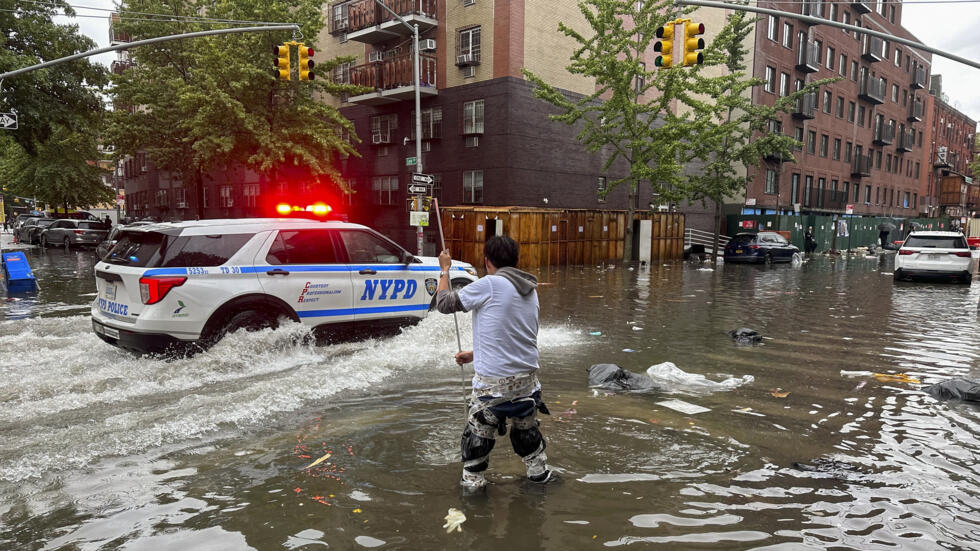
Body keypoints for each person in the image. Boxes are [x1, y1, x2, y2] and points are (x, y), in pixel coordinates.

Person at [435, 235, 552, 490]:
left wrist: (444, 269)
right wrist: (475, 353)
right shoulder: (529, 289)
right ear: (515, 260)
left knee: (476, 444)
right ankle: (539, 479)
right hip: (528, 386)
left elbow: (443, 303)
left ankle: (474, 497)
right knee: (529, 440)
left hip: (492, 389)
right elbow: (515, 336)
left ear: (487, 261)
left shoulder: (489, 284)